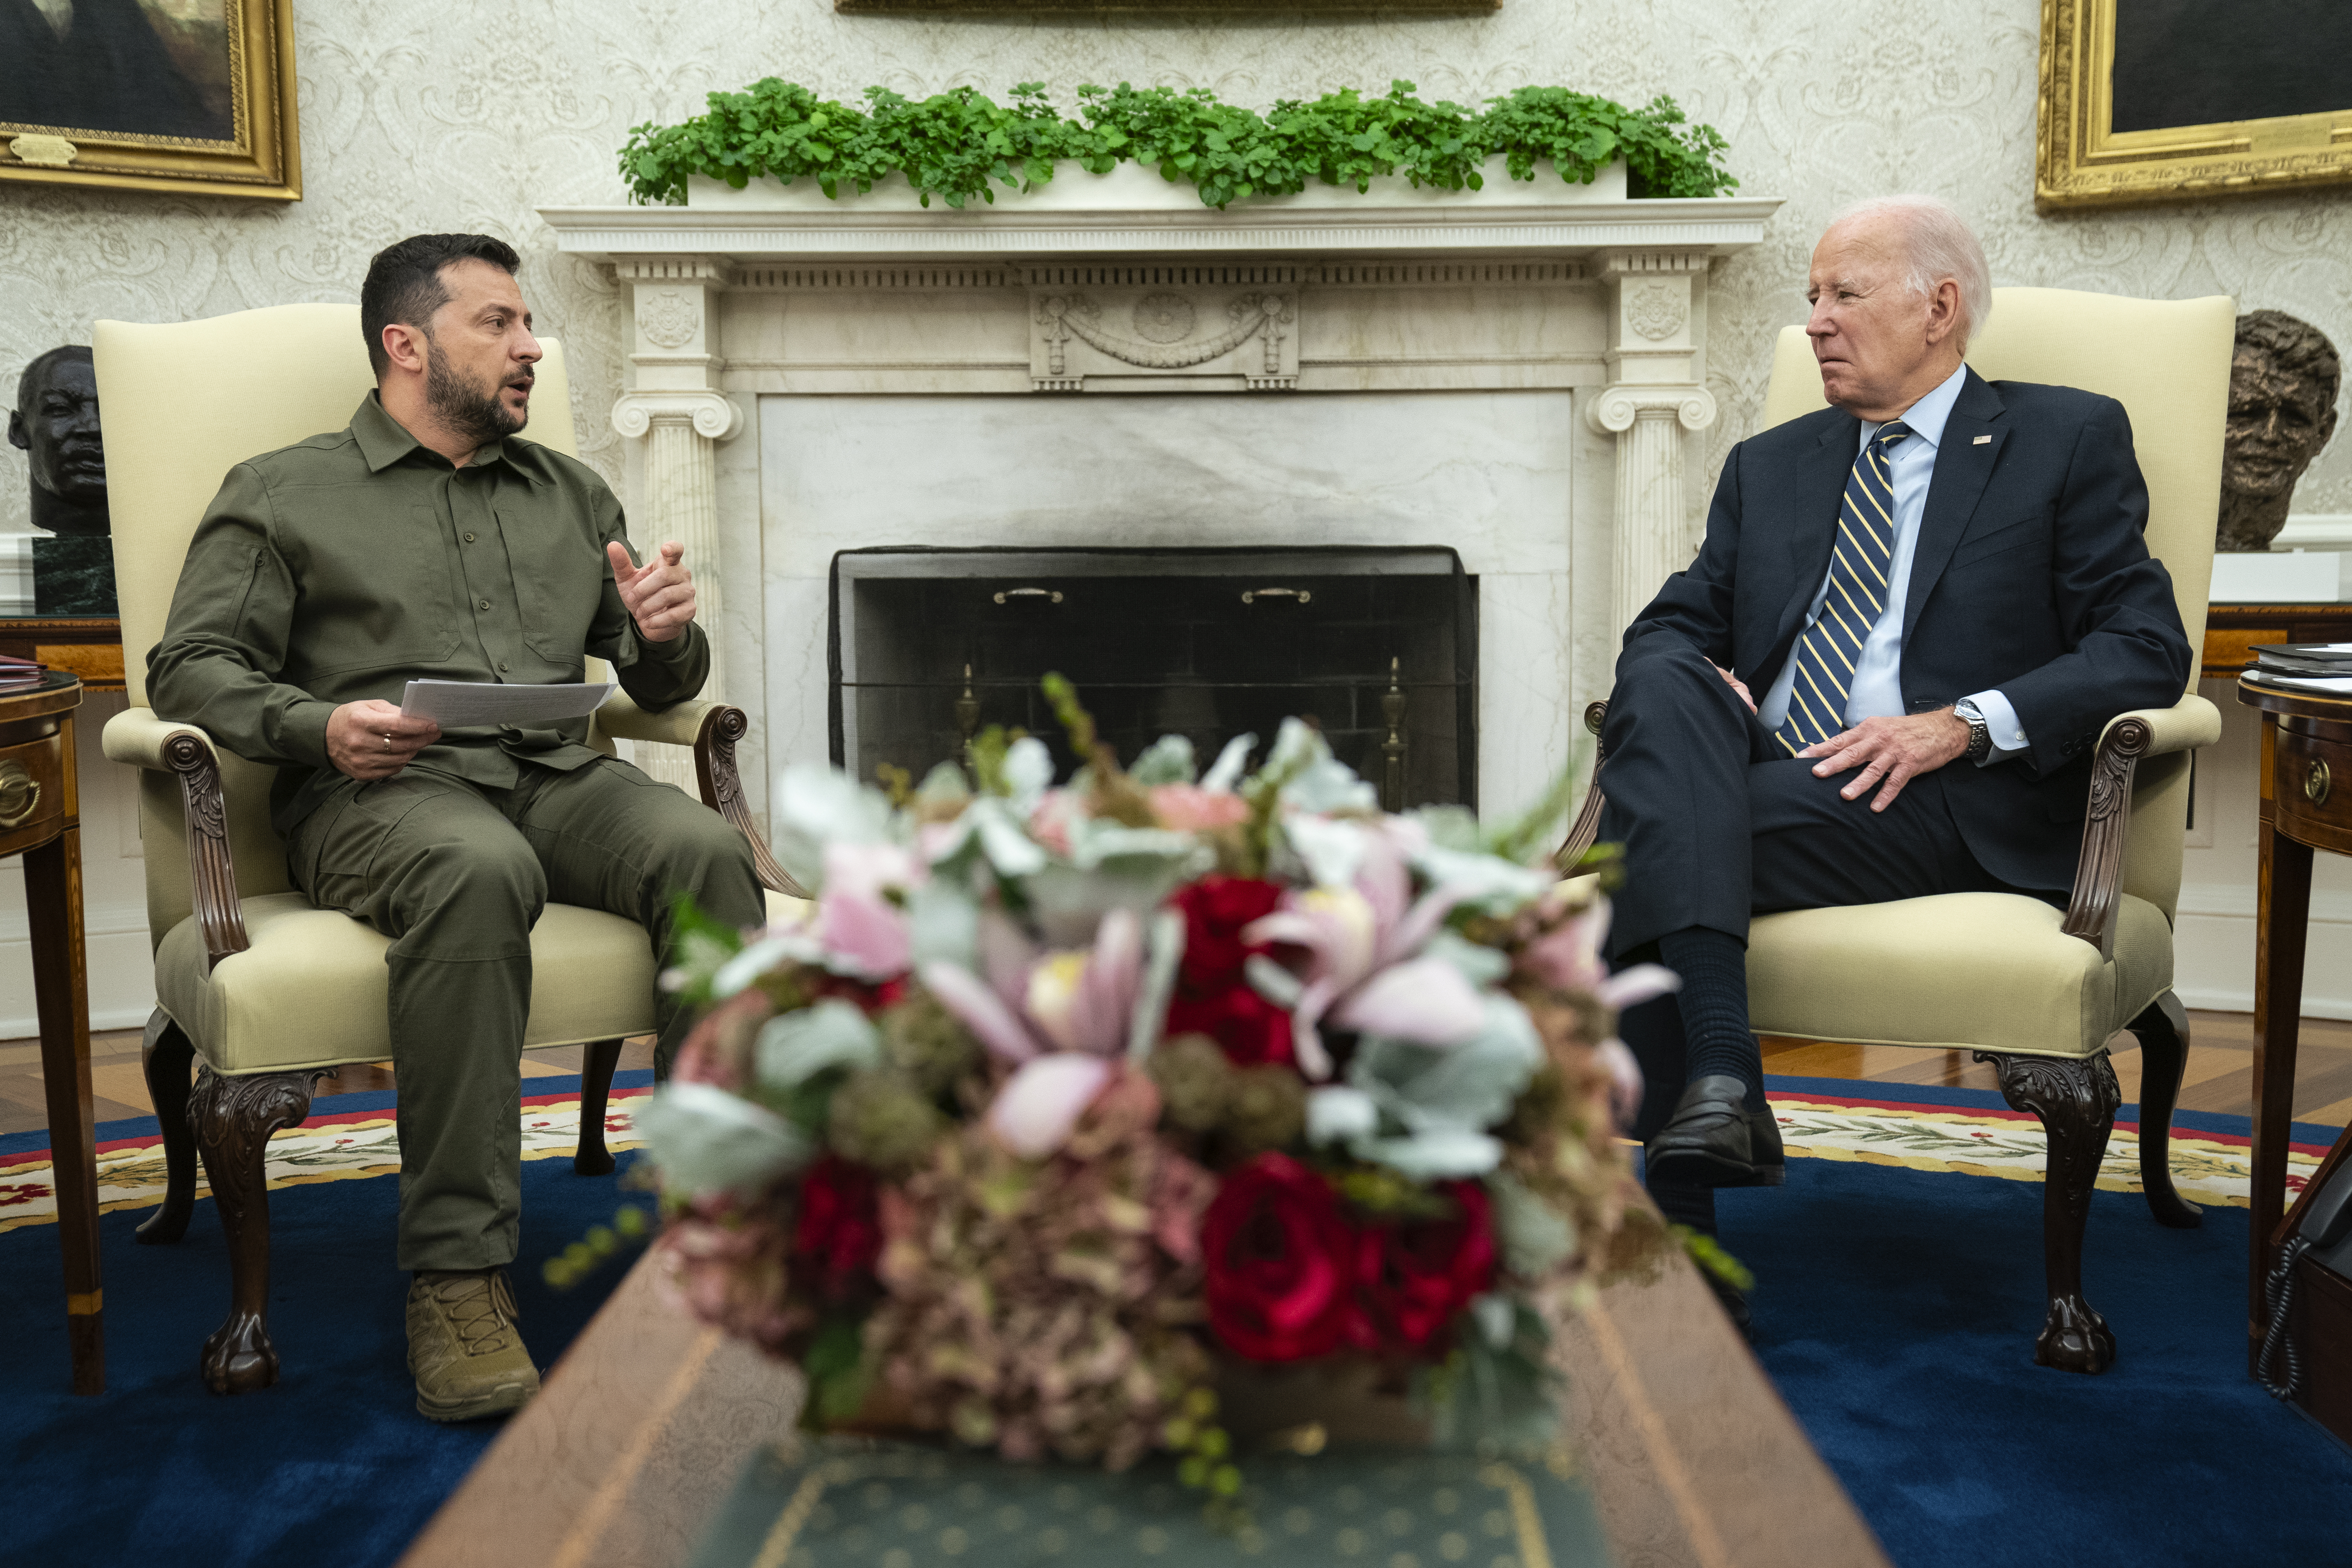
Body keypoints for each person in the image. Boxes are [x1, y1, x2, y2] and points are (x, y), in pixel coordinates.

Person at [148, 233, 766, 1421]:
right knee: (476, 868)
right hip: (377, 792)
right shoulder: (282, 488)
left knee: (705, 851)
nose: (533, 346)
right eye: (501, 323)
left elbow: (652, 666)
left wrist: (662, 629)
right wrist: (319, 724)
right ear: (407, 344)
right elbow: (187, 665)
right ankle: (457, 1275)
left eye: (528, 325)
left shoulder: (572, 492)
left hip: (547, 769)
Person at [1596, 196, 2192, 1321]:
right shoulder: (1768, 465)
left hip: (1941, 796)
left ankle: (1685, 1219)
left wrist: (1960, 721)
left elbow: (2144, 647)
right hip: (1764, 769)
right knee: (1663, 673)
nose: (1814, 320)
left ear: (1939, 307)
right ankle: (1721, 1083)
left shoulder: (2062, 437)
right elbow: (1671, 628)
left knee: (1629, 855)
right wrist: (1708, 682)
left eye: (1842, 294)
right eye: (1810, 297)